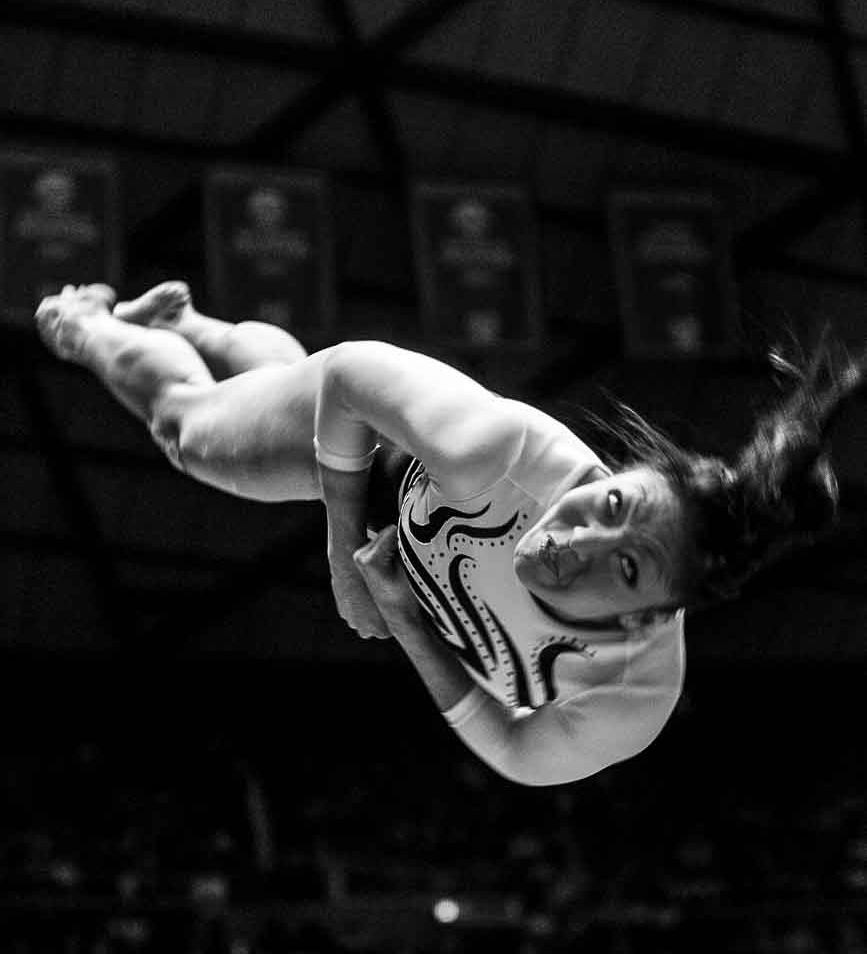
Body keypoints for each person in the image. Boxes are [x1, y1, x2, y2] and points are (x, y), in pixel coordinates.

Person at [35, 283, 859, 785]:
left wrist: (403, 616)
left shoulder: (625, 698)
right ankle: (88, 323)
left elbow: (514, 749)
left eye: (628, 567)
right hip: (383, 445)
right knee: (191, 434)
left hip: (396, 474)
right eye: (609, 504)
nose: (573, 539)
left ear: (648, 620)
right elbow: (353, 376)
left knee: (268, 387)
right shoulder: (499, 456)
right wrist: (345, 553)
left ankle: (199, 328)